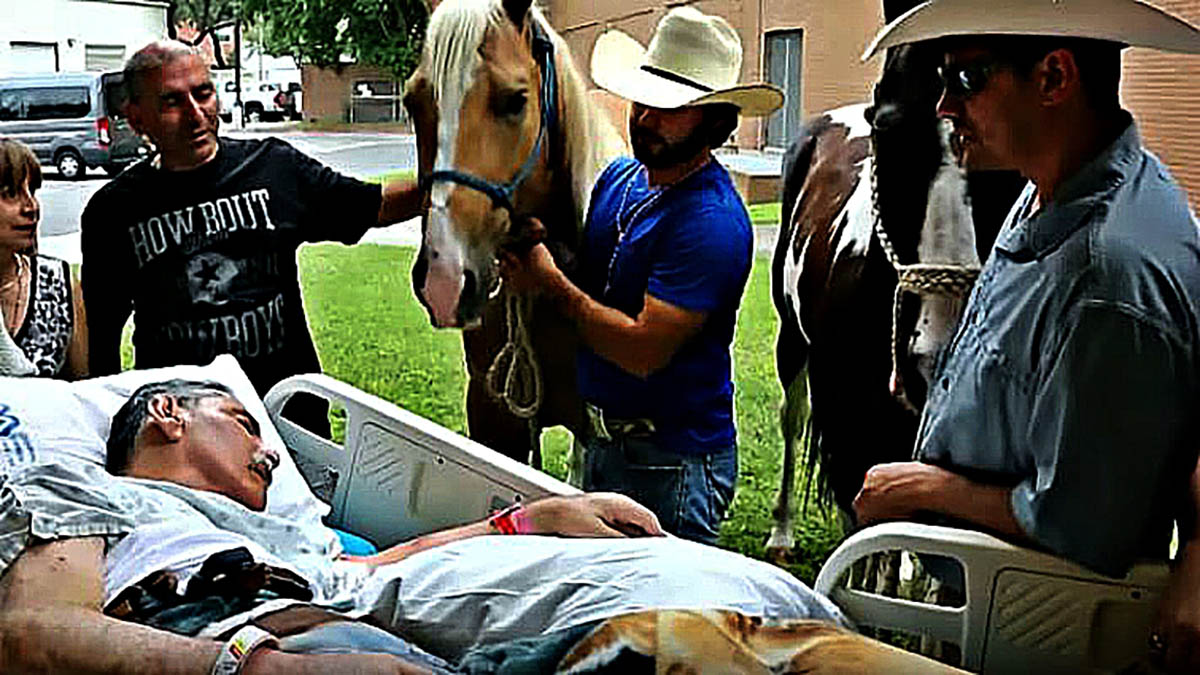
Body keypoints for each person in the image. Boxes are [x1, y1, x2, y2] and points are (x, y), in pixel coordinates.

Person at [0, 379, 844, 674]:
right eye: (243, 420)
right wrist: (245, 667)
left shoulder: (282, 536)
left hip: (360, 628)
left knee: (713, 645)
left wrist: (532, 517)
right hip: (254, 639)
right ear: (165, 416)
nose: (267, 449)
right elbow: (33, 633)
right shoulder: (86, 490)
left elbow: (373, 570)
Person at [845, 0, 1200, 665]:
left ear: (1055, 77)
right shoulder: (1053, 189)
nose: (945, 105)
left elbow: (1080, 523)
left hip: (1033, 623)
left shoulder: (1109, 282)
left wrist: (924, 487)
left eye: (968, 79)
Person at [500, 7, 783, 544]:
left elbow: (640, 351)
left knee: (660, 621)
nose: (647, 118)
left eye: (671, 109)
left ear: (717, 123)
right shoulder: (622, 181)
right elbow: (592, 281)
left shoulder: (710, 222)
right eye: (644, 99)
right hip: (601, 445)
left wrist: (549, 283)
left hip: (672, 465)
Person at [80, 41, 423, 436]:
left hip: (289, 421)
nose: (195, 115)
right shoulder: (113, 212)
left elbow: (372, 206)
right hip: (184, 438)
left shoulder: (273, 168)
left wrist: (455, 186)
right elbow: (102, 343)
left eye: (203, 93)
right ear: (136, 118)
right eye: (171, 102)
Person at [0, 138, 87, 379]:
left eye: (33, 191)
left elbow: (81, 391)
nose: (31, 206)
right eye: (10, 194)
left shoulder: (59, 282)